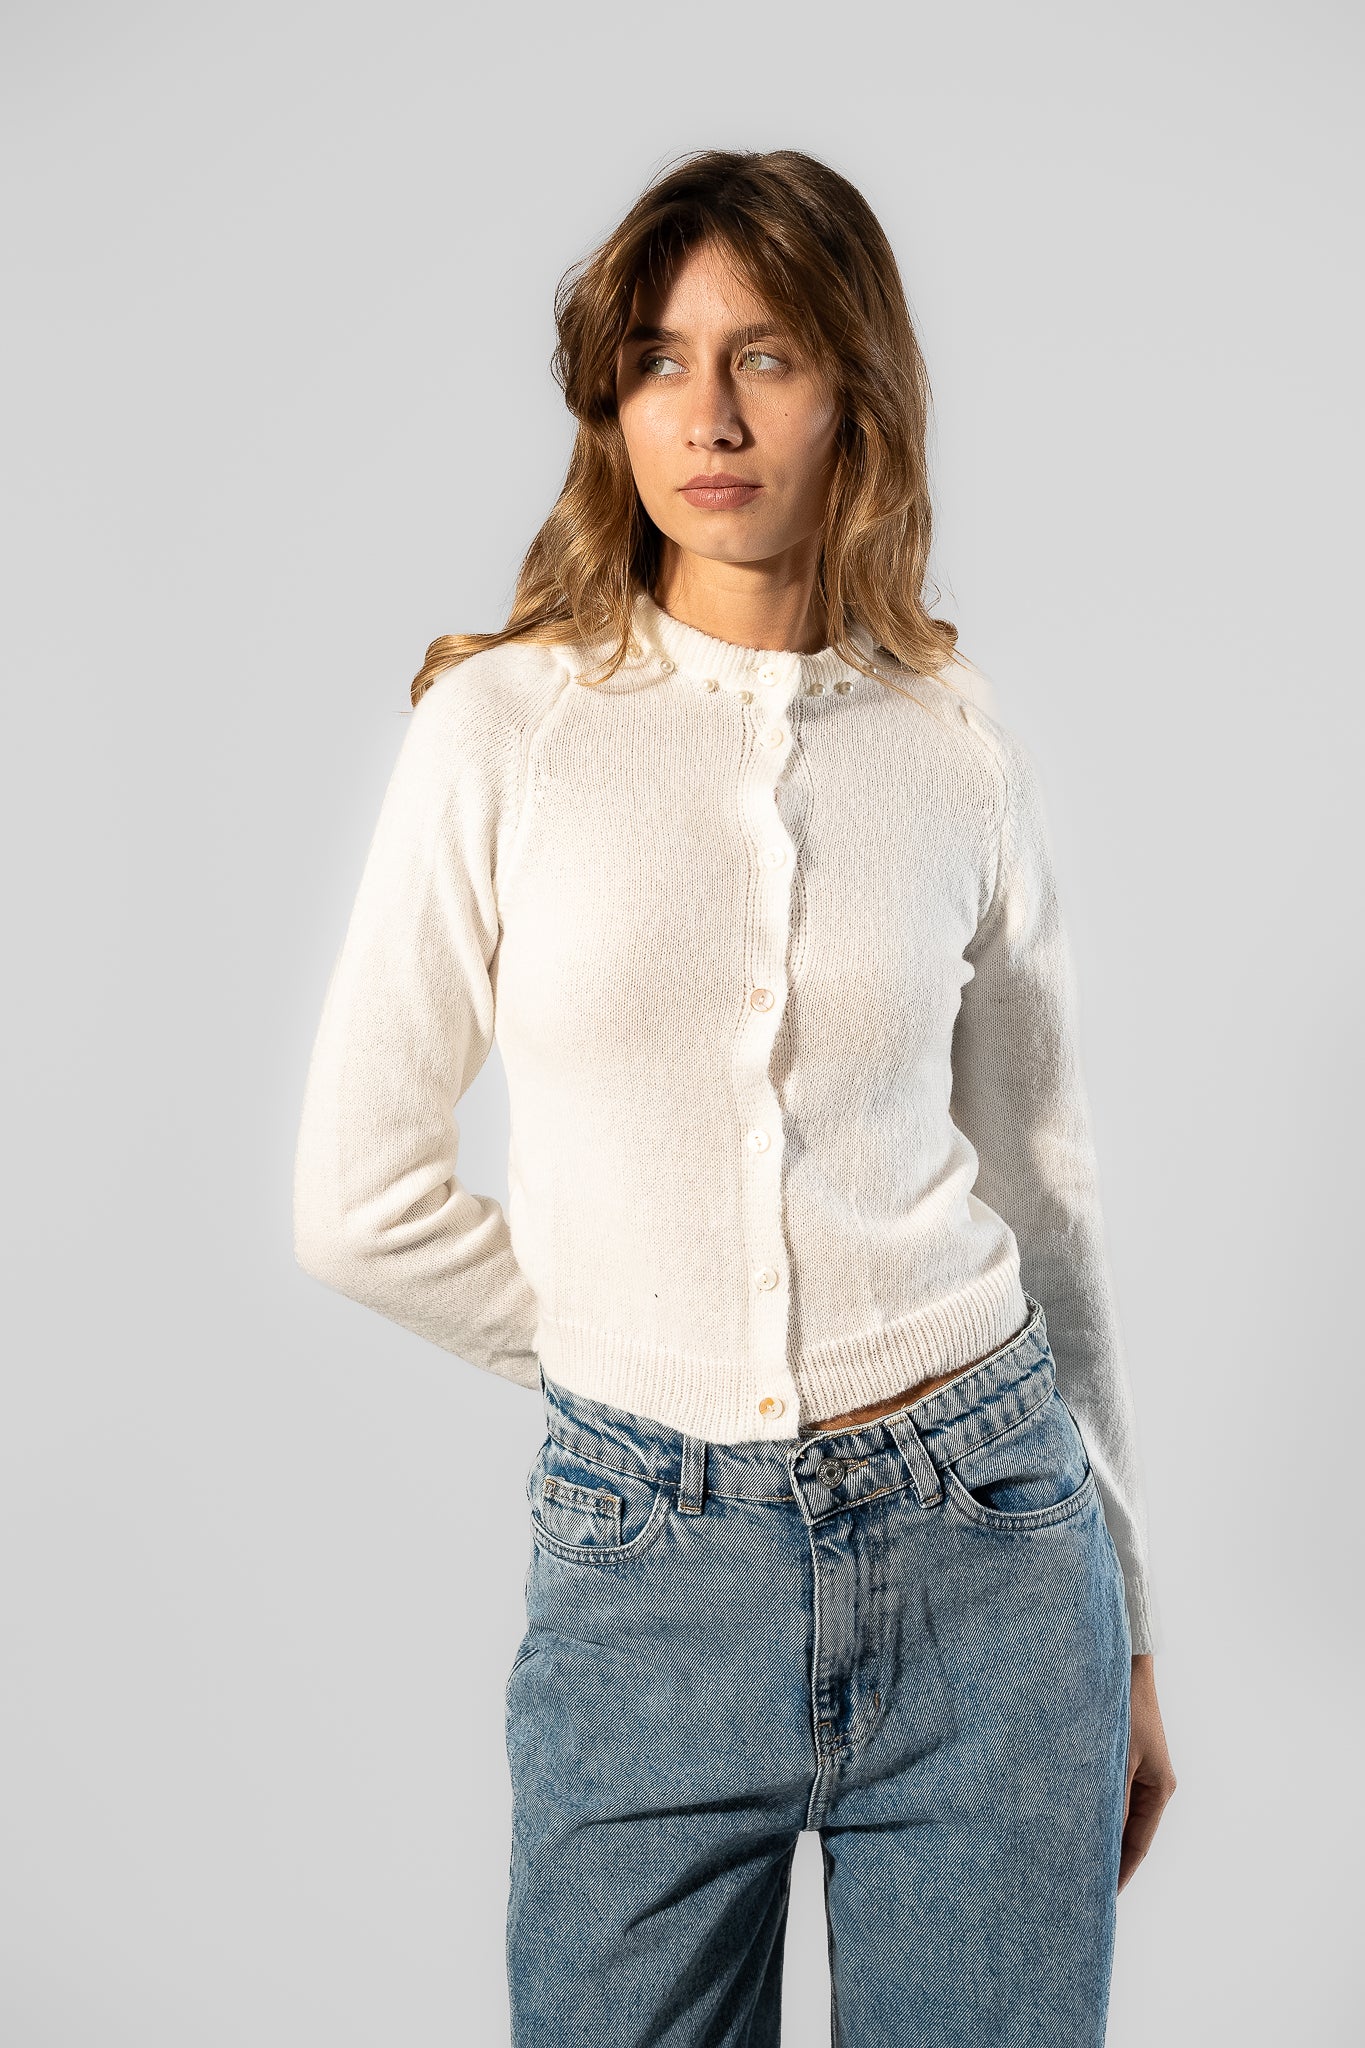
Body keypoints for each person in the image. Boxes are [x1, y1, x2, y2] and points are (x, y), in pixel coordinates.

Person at [293, 147, 1176, 2048]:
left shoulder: (953, 743)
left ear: (855, 386)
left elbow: (1043, 1197)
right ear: (608, 403)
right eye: (657, 360)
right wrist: (634, 1367)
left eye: (763, 355)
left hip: (992, 1548)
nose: (705, 415)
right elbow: (355, 1201)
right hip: (645, 1574)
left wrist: (1128, 1616)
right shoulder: (505, 731)